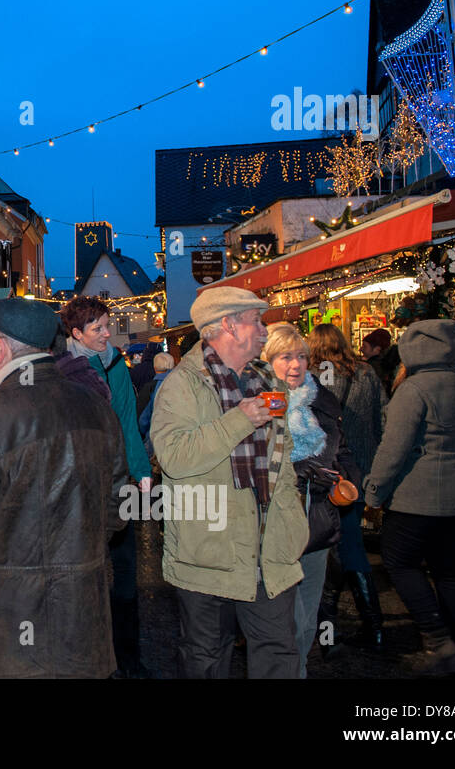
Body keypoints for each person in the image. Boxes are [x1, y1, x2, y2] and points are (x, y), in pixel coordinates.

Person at [0, 298, 125, 678]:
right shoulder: (95, 406)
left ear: (1, 348)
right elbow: (115, 509)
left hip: (3, 623)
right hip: (80, 617)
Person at [150, 287, 307, 679]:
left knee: (279, 654)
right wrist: (240, 420)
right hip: (210, 551)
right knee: (206, 659)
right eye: (256, 320)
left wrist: (293, 522)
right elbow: (174, 458)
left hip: (268, 548)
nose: (263, 329)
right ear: (227, 325)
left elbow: (281, 462)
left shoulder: (267, 378)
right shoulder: (183, 384)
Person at [364, 319, 455, 677]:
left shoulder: (414, 389)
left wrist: (374, 491)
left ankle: (439, 640)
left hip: (417, 497)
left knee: (400, 562)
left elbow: (394, 449)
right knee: (451, 573)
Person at [59, 295, 153, 677]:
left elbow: (129, 420)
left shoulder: (116, 364)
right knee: (84, 570)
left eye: (107, 325)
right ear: (76, 332)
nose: (106, 333)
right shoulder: (62, 369)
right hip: (79, 486)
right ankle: (85, 657)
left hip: (118, 483)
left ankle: (128, 659)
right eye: (96, 328)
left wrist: (142, 471)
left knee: (126, 570)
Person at [260, 324, 358, 678]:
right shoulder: (257, 404)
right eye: (285, 356)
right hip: (274, 524)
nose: (296, 364)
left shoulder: (323, 401)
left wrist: (348, 478)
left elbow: (342, 450)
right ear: (267, 360)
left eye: (301, 356)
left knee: (306, 620)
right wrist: (308, 471)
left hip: (317, 520)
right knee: (284, 620)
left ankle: (297, 671)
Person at [308, 323, 388, 653]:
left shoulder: (313, 375)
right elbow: (383, 418)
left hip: (330, 472)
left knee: (331, 546)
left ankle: (332, 627)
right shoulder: (366, 373)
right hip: (360, 471)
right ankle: (371, 627)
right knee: (348, 543)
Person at [137, 351, 175, 442]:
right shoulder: (183, 382)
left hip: (159, 438)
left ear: (155, 367)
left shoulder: (150, 388)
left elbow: (143, 420)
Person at [361, 329, 400, 394]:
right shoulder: (391, 365)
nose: (361, 349)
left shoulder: (371, 368)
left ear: (377, 349)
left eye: (364, 346)